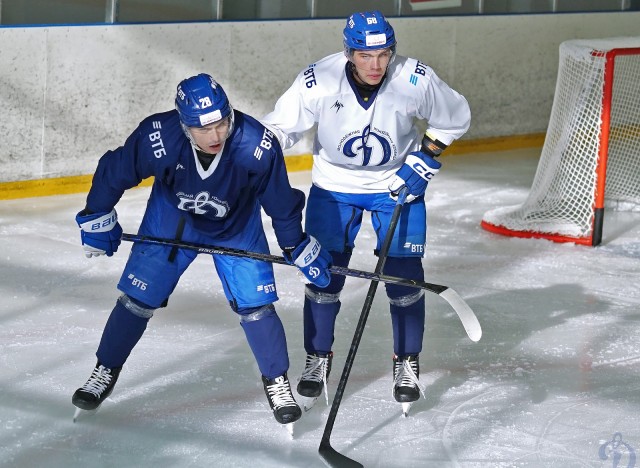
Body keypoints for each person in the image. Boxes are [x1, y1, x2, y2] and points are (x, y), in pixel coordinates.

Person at [72, 73, 332, 428]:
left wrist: (294, 244)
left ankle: (276, 380)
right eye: (203, 129)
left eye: (222, 123)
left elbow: (281, 202)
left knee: (256, 305)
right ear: (184, 125)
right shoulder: (158, 135)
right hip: (172, 221)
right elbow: (115, 170)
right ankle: (105, 368)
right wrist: (96, 214)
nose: (215, 136)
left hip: (236, 227)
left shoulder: (257, 144)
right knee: (136, 297)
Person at [261, 11, 470, 412]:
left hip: (395, 186)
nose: (375, 65)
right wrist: (253, 155)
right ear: (349, 52)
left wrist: (424, 159)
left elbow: (455, 117)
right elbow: (281, 127)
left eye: (383, 54)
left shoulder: (415, 78)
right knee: (323, 275)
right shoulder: (319, 79)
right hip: (333, 188)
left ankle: (407, 361)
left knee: (404, 279)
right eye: (364, 55)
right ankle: (318, 357)